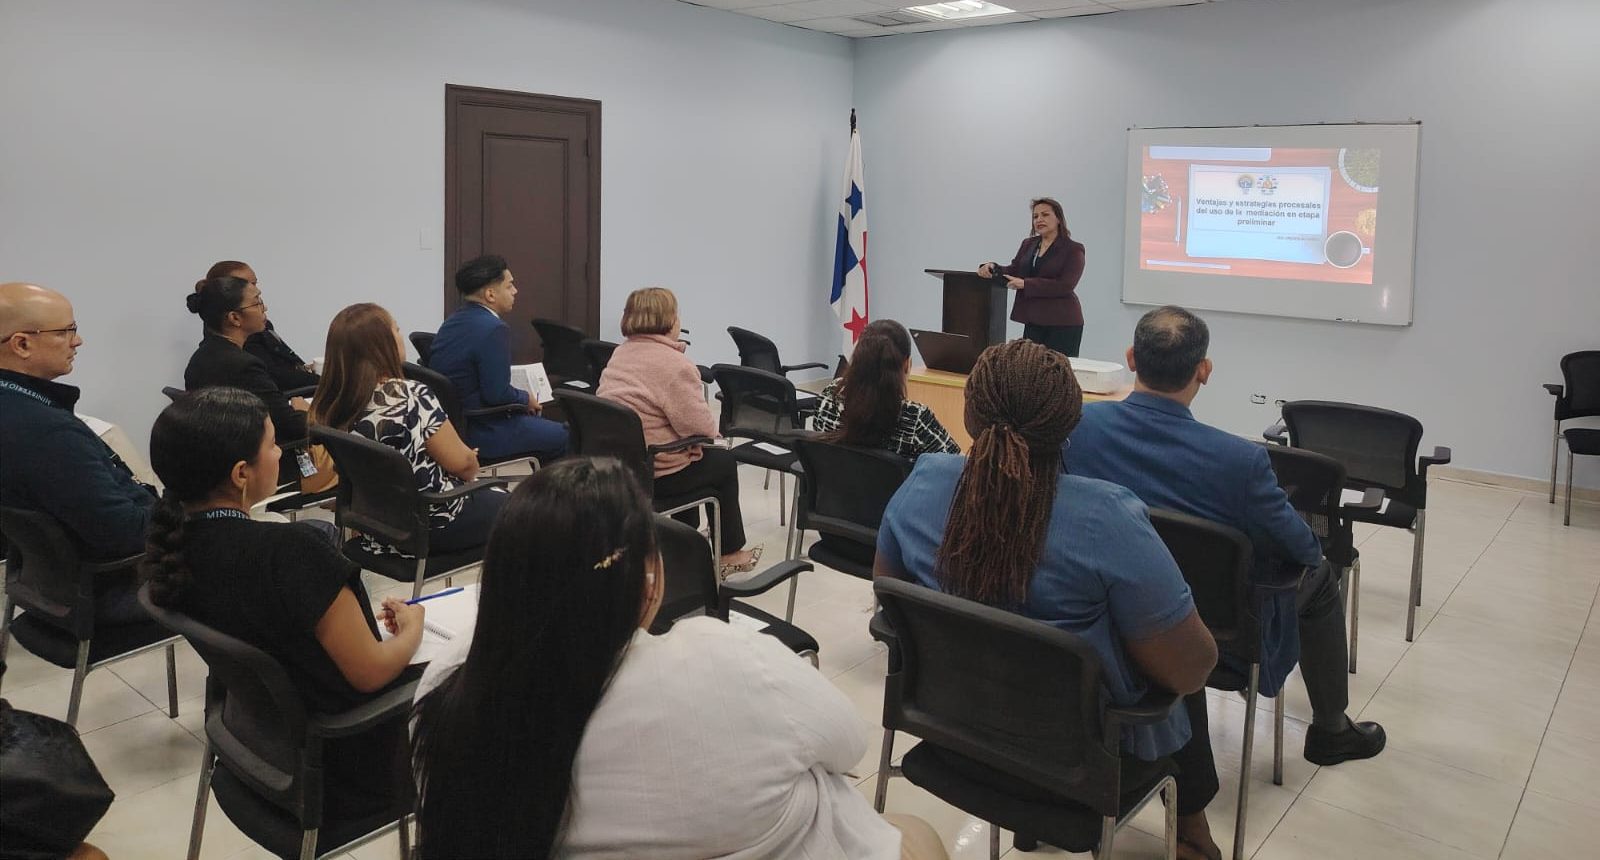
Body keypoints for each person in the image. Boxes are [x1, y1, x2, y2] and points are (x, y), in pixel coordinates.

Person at [410, 457, 947, 860]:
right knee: (920, 834)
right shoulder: (725, 659)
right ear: (649, 580)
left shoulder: (444, 691)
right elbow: (849, 743)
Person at [874, 339, 1223, 860]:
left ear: (969, 415)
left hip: (951, 736)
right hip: (1076, 768)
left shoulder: (922, 482)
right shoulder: (1108, 517)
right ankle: (1195, 840)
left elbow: (891, 603)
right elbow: (1192, 670)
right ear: (1070, 424)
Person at [1066, 306, 1385, 770]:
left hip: (1108, 611)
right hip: (1219, 634)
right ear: (1204, 370)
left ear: (1131, 358)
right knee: (1319, 575)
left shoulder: (1079, 427)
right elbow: (1301, 547)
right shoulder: (1239, 460)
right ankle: (1331, 731)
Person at [141, 386, 422, 826]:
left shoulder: (174, 551)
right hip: (354, 764)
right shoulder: (290, 553)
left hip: (259, 752)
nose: (280, 453)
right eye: (272, 445)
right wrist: (413, 628)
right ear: (240, 473)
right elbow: (370, 673)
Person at [0, 282, 155, 623]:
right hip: (107, 592)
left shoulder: (18, 410)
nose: (78, 341)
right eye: (66, 331)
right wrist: (190, 511)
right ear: (22, 344)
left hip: (42, 591)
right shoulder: (47, 433)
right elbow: (124, 534)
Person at [310, 303, 507, 556]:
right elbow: (464, 466)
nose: (401, 335)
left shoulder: (334, 403)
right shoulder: (410, 396)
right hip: (433, 524)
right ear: (381, 345)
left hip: (377, 529)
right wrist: (469, 458)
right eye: (397, 329)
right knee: (526, 513)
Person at [597, 287, 759, 574]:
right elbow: (701, 427)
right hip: (655, 474)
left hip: (617, 467)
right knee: (722, 462)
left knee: (694, 456)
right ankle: (729, 553)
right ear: (669, 319)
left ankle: (684, 537)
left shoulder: (620, 353)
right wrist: (709, 438)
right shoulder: (675, 364)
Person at [426, 254, 568, 462]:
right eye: (509, 286)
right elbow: (496, 394)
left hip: (453, 425)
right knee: (567, 436)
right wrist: (525, 398)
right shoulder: (493, 328)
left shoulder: (454, 320)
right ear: (491, 294)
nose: (515, 291)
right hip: (483, 428)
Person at [183, 274, 312, 487]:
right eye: (257, 302)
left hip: (229, 462)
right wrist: (305, 411)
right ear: (235, 318)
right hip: (268, 467)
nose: (265, 307)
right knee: (355, 444)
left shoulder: (201, 357)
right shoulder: (242, 366)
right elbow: (293, 427)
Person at [814, 319, 960, 459]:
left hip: (835, 477)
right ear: (907, 365)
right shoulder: (914, 418)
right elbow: (955, 464)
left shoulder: (830, 396)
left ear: (857, 360)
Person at [976, 197, 1087, 357]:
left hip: (1063, 322)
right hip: (1034, 320)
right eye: (1035, 216)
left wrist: (1026, 284)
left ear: (1058, 219)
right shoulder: (1028, 244)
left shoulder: (1073, 249)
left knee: (1057, 370)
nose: (1039, 220)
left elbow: (1065, 285)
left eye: (1045, 215)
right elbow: (1015, 270)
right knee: (1030, 367)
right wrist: (993, 268)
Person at [205, 260, 321, 391]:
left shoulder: (262, 327)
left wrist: (307, 369)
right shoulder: (241, 349)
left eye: (254, 283)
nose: (264, 307)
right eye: (247, 284)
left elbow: (286, 362)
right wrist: (325, 381)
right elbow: (276, 377)